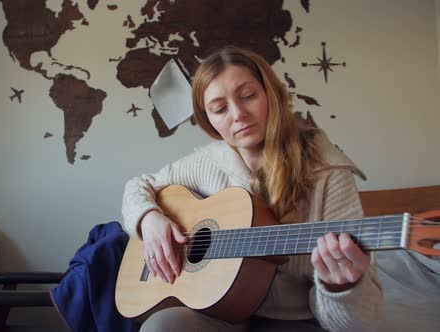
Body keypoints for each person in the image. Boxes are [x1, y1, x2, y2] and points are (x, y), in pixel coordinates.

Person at [121, 46, 383, 331]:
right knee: (162, 326)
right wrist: (149, 218)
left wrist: (341, 288)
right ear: (209, 120)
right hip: (223, 316)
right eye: (220, 109)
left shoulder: (328, 172)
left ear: (271, 93)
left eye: (248, 96)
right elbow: (138, 185)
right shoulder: (207, 162)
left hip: (298, 321)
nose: (238, 114)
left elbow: (358, 324)